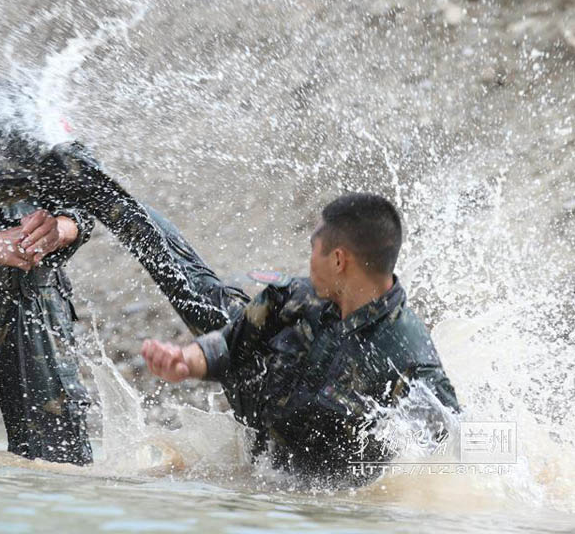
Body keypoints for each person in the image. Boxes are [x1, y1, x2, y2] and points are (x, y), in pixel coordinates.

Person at [0, 0, 246, 465]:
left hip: (37, 319)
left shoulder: (21, 104)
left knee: (56, 475)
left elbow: (88, 201)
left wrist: (60, 228)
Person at [141, 193, 460, 487]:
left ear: (338, 260)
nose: (309, 262)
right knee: (170, 263)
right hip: (260, 459)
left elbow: (466, 459)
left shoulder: (408, 357)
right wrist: (186, 361)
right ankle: (101, 191)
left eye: (313, 249)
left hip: (328, 501)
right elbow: (229, 343)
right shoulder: (296, 298)